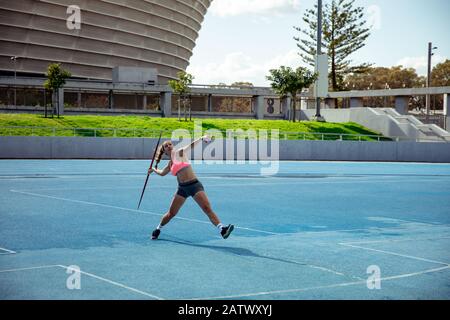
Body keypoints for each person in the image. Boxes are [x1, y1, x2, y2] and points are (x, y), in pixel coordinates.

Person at [148, 135, 234, 240]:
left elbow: (191, 146)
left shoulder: (179, 152)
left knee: (207, 208)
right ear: (165, 151)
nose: (169, 146)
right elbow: (162, 173)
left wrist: (201, 138)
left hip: (194, 185)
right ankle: (158, 229)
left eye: (170, 144)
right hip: (182, 189)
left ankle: (222, 229)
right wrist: (153, 169)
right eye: (166, 146)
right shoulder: (170, 164)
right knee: (171, 213)